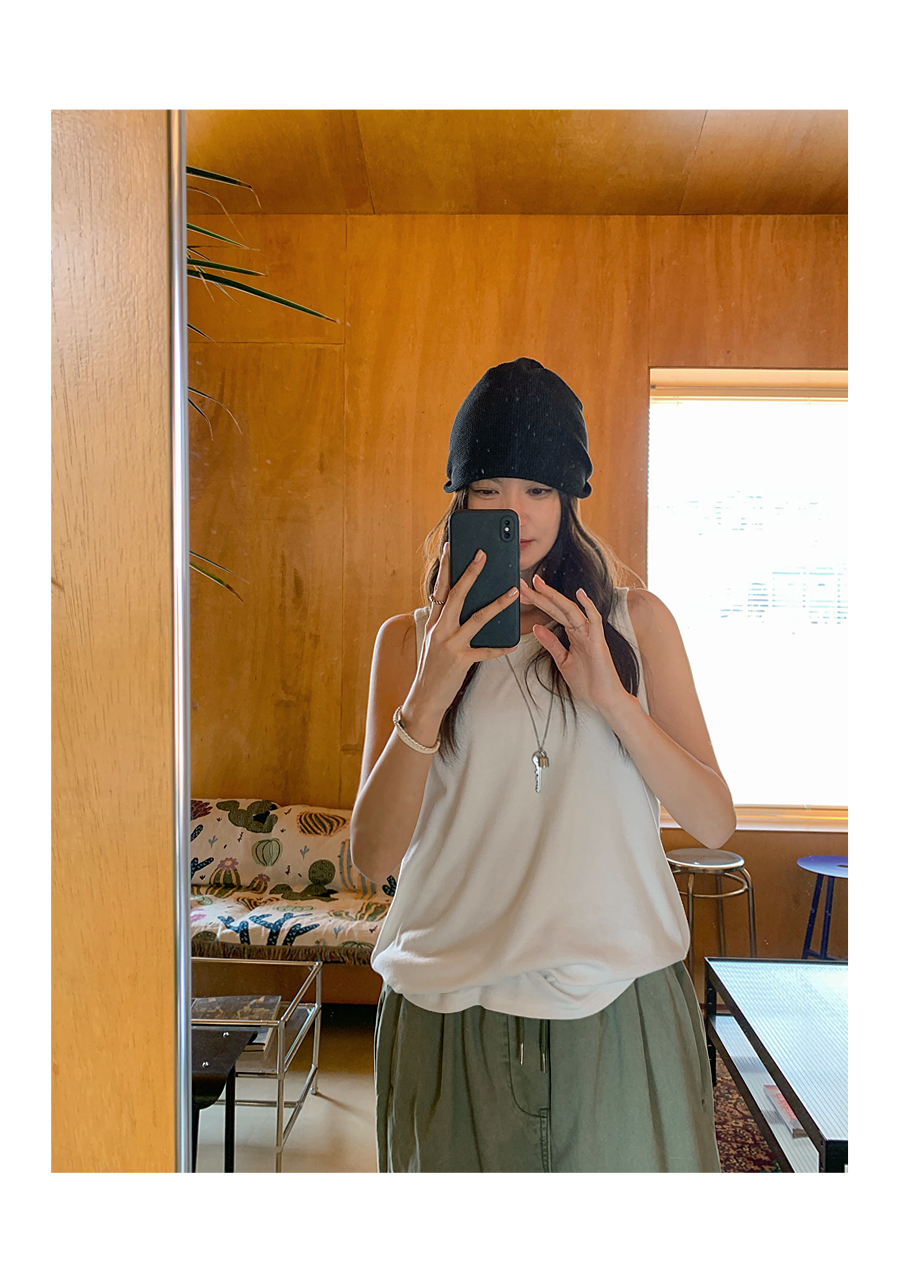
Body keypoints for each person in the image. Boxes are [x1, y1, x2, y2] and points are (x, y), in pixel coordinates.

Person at [349, 356, 735, 1172]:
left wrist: (613, 700)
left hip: (620, 1010)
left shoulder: (638, 624)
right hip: (445, 1013)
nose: (515, 511)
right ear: (461, 501)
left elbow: (712, 822)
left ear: (569, 499)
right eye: (489, 488)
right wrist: (431, 689)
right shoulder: (407, 643)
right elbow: (373, 857)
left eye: (538, 488)